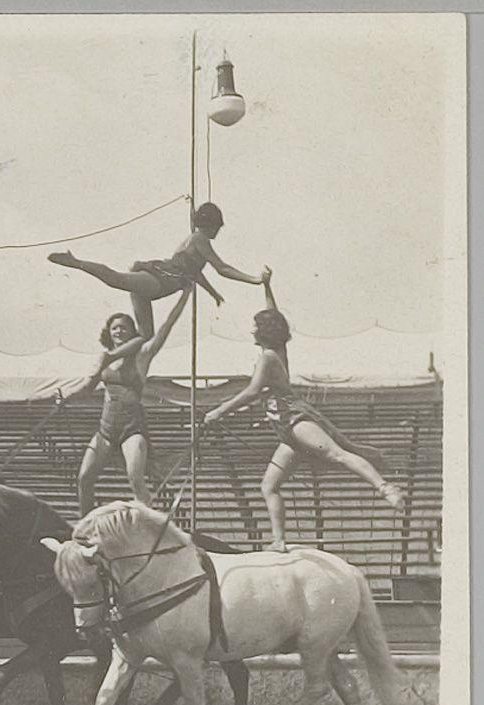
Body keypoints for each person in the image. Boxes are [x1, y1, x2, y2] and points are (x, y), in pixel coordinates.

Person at [203, 271, 405, 551]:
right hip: (286, 431)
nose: (251, 330)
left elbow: (251, 392)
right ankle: (279, 541)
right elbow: (274, 314)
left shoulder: (268, 358)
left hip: (295, 419)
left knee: (337, 453)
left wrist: (218, 412)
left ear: (264, 332)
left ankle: (386, 489)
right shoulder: (277, 350)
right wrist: (267, 286)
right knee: (269, 486)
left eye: (255, 326)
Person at [47, 202, 267, 340]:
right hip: (159, 280)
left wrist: (213, 293)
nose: (218, 232)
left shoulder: (194, 241)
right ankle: (76, 262)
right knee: (116, 279)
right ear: (213, 225)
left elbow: (195, 272)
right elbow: (222, 268)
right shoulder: (200, 238)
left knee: (146, 337)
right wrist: (256, 280)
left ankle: (124, 368)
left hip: (158, 284)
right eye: (218, 227)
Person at [78, 286, 192, 517]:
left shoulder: (142, 355)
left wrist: (184, 296)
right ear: (108, 332)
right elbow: (86, 388)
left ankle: (148, 523)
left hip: (132, 428)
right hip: (106, 428)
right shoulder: (104, 359)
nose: (119, 331)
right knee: (84, 478)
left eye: (124, 327)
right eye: (115, 327)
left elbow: (166, 327)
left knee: (135, 478)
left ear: (133, 332)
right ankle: (85, 524)